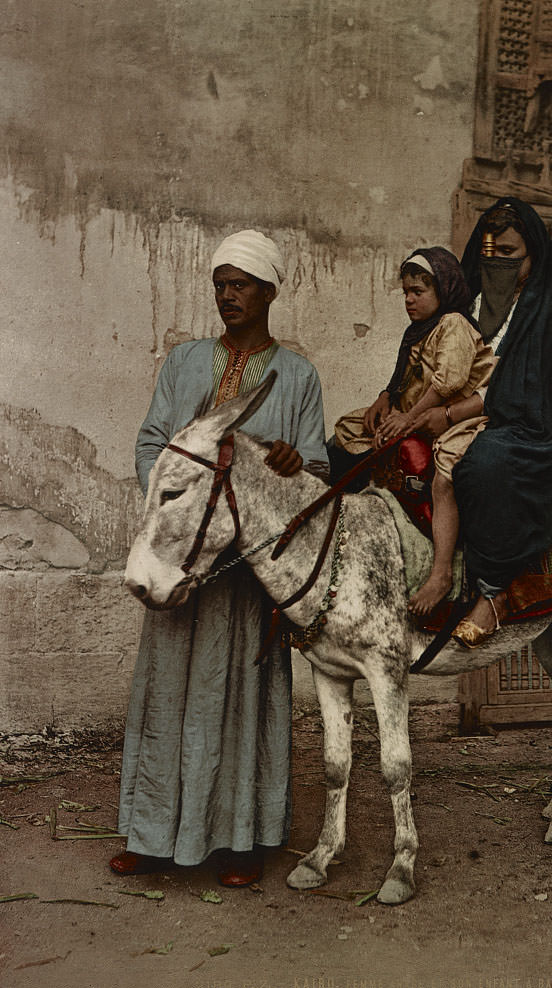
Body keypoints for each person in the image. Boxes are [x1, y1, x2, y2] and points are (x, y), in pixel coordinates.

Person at [110, 229, 329, 887]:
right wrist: (177, 509)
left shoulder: (298, 377)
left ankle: (241, 842)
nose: (227, 296)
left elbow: (315, 467)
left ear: (269, 291)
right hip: (182, 559)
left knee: (240, 695)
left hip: (243, 576)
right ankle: (152, 838)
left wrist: (293, 464)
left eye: (240, 285)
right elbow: (152, 443)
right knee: (169, 690)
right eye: (220, 285)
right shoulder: (182, 364)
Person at [411, 197, 552, 647]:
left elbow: (523, 391)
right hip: (451, 408)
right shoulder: (470, 296)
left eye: (508, 254)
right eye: (489, 253)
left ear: (533, 255)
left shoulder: (549, 307)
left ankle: (494, 592)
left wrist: (445, 414)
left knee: (484, 465)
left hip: (523, 425)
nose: (496, 262)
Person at [331, 246, 494, 615]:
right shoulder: (417, 331)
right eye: (405, 292)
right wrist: (384, 400)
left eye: (418, 292)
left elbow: (445, 383)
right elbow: (405, 380)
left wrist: (407, 420)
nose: (409, 299)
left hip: (458, 417)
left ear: (444, 290)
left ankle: (441, 573)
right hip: (417, 411)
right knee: (349, 431)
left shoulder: (453, 324)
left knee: (444, 474)